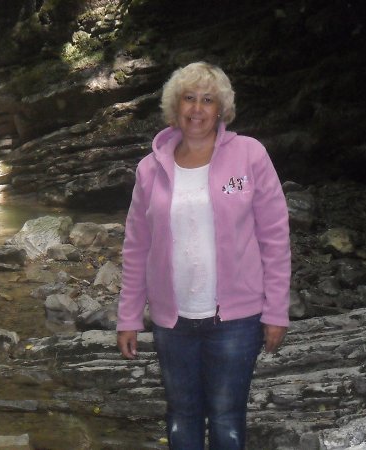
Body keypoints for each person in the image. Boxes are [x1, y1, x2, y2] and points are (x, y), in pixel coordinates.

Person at [116, 61, 291, 450]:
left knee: (227, 417)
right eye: (189, 98)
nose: (197, 109)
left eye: (208, 100)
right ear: (174, 106)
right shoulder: (149, 169)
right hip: (172, 320)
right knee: (181, 416)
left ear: (221, 109)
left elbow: (275, 237)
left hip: (237, 320)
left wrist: (276, 311)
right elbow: (137, 247)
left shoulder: (250, 156)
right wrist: (129, 316)